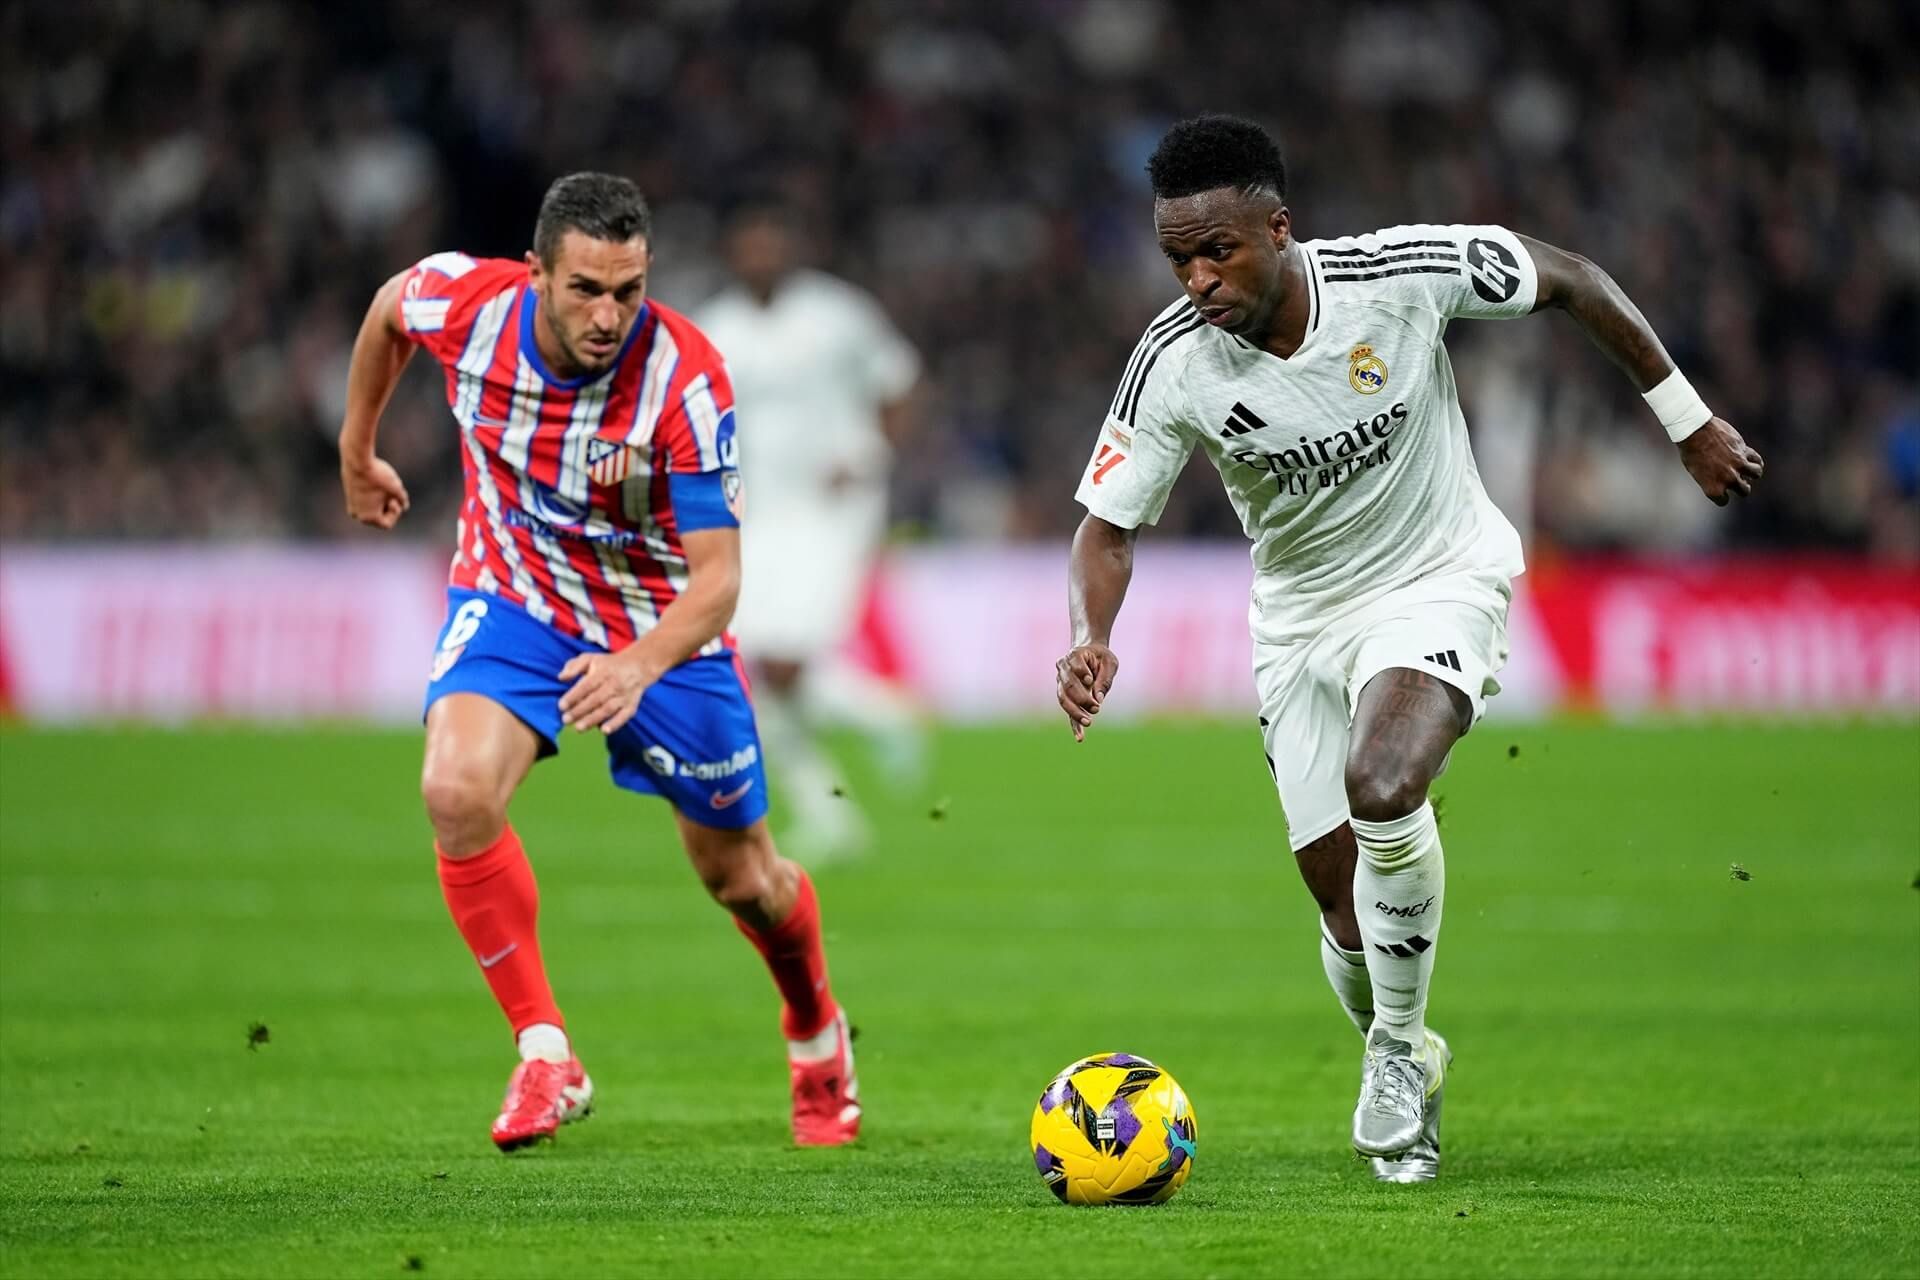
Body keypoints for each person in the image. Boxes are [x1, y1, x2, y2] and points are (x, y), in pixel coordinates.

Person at [1055, 116, 1764, 1182]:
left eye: (1218, 251)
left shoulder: (1402, 273)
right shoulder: (1172, 362)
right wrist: (1091, 636)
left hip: (1438, 574)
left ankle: (1393, 1055)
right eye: (1178, 258)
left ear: (1279, 227)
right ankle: (1409, 1041)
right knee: (1341, 908)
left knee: (1383, 783)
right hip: (1298, 620)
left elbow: (1570, 277)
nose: (1196, 278)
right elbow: (1107, 527)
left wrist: (1688, 420)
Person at [337, 173, 860, 1152]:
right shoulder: (470, 307)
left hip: (662, 625)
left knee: (743, 875)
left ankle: (815, 1028)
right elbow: (385, 313)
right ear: (535, 271)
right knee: (455, 790)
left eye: (628, 290)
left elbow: (718, 580)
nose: (609, 314)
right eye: (585, 288)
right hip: (515, 600)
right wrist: (357, 445)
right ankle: (546, 1052)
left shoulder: (686, 377)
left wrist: (637, 663)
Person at [695, 201, 925, 861]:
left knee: (782, 662)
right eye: (749, 244)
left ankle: (855, 765)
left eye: (771, 242)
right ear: (733, 251)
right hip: (757, 513)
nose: (761, 254)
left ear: (790, 247)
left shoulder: (837, 315)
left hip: (832, 512)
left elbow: (900, 384)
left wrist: (871, 457)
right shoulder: (714, 329)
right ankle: (858, 762)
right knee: (762, 671)